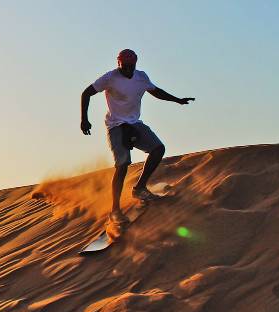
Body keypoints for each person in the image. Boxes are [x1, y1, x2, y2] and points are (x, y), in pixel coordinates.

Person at [80, 49, 194, 224]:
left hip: (134, 123)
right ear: (118, 63)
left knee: (158, 149)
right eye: (124, 66)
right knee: (123, 164)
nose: (128, 69)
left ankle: (140, 188)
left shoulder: (141, 77)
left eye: (131, 66)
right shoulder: (110, 78)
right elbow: (86, 93)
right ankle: (115, 211)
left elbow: (156, 91)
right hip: (116, 125)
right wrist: (84, 119)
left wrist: (177, 100)